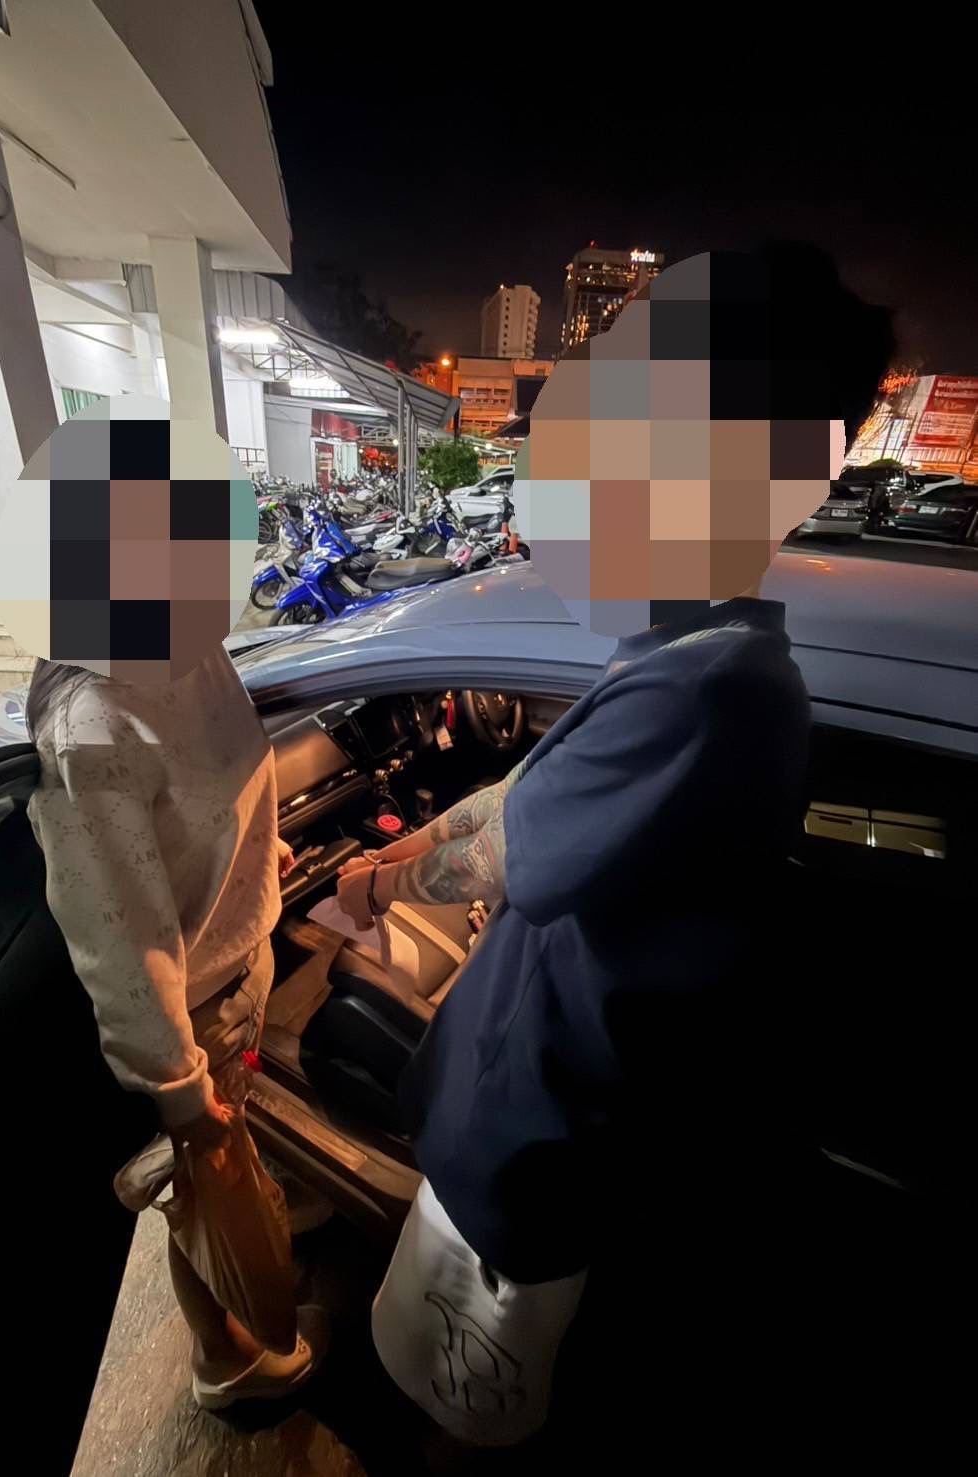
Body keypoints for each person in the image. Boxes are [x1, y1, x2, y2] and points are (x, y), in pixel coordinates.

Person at [336, 243, 895, 1447]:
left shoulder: (708, 693)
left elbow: (512, 854)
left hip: (538, 1162)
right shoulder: (678, 654)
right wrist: (402, 850)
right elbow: (518, 797)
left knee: (456, 1409)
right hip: (514, 1125)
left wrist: (379, 885)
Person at [26, 638, 328, 1408]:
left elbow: (216, 774)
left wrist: (253, 848)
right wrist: (182, 1095)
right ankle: (221, 1355)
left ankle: (251, 1243)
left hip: (242, 961)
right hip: (194, 1012)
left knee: (232, 1159)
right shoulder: (90, 725)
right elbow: (121, 945)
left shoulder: (190, 647)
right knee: (205, 1189)